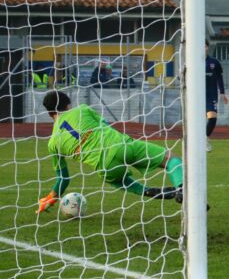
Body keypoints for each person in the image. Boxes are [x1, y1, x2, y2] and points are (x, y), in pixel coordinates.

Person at [36, 90, 184, 214]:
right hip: (121, 146)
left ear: (49, 112)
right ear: (68, 105)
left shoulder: (52, 143)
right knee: (171, 160)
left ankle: (147, 191)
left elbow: (63, 179)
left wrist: (51, 198)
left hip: (105, 166)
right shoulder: (82, 109)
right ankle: (182, 188)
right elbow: (106, 125)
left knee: (121, 181)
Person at [206, 39, 228, 152]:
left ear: (207, 47)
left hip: (211, 95)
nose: (203, 49)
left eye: (205, 46)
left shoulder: (214, 62)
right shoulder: (193, 61)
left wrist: (222, 92)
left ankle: (205, 138)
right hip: (196, 95)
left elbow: (219, 77)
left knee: (212, 118)